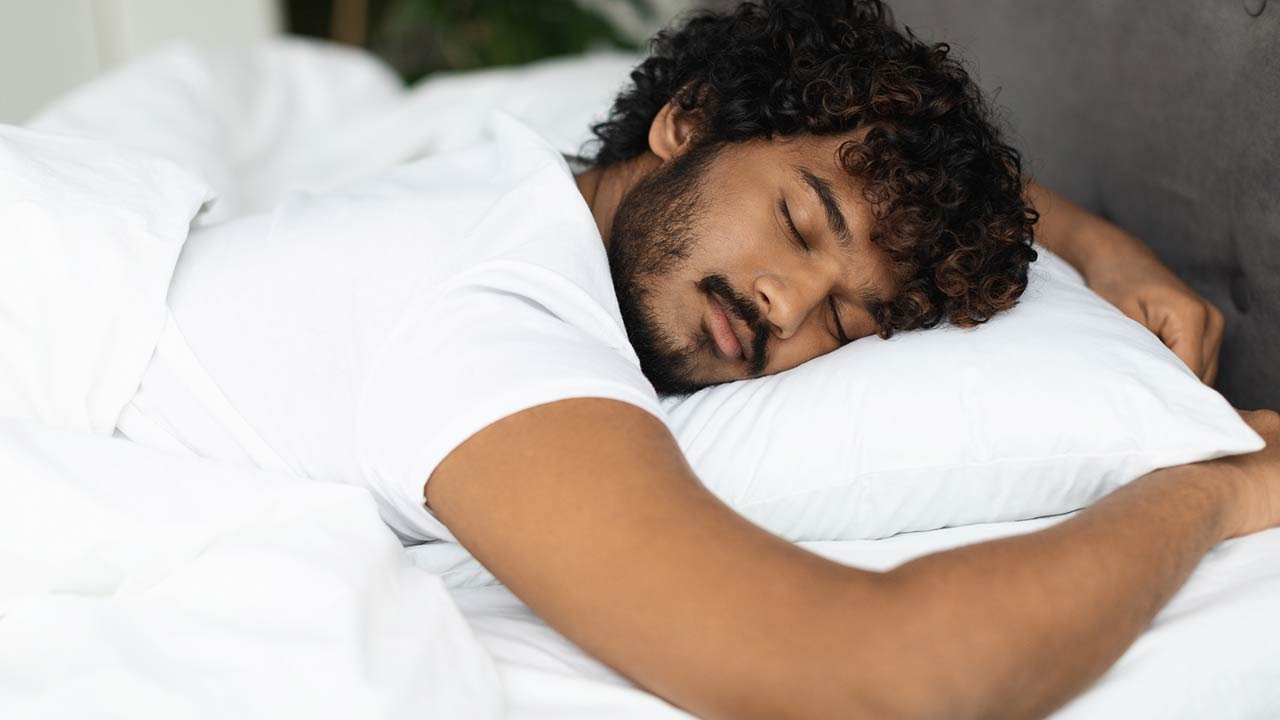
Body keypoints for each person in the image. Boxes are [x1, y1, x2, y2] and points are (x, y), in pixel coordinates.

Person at [112, 1, 1278, 718]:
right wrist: (1205, 492)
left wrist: (1095, 245)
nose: (785, 303)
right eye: (799, 222)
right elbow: (883, 681)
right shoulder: (498, 330)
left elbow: (877, 188)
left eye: (845, 323)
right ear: (685, 120)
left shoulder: (543, 202)